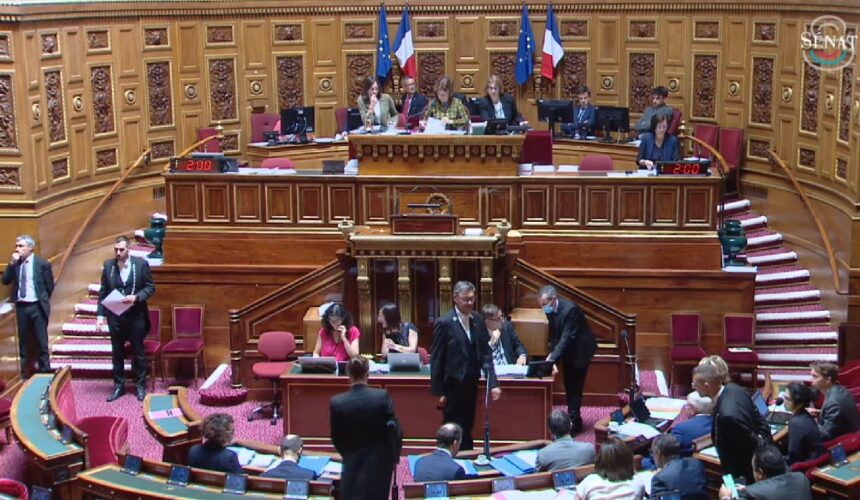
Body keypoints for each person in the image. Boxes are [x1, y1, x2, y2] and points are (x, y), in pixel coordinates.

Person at [430, 281, 501, 451]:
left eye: (472, 299)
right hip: (452, 386)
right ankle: (448, 457)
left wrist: (493, 384)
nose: (469, 303)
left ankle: (467, 456)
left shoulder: (477, 319)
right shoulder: (444, 323)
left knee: (468, 423)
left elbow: (485, 354)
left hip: (471, 383)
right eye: (465, 299)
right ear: (455, 298)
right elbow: (437, 359)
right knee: (451, 426)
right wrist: (439, 391)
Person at [330, 356, 401, 500]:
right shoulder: (382, 397)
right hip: (379, 461)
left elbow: (336, 437)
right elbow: (394, 429)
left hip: (352, 460)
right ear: (368, 373)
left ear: (348, 374)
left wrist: (349, 453)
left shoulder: (337, 402)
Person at [97, 235, 155, 402]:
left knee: (138, 352)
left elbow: (150, 287)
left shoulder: (140, 264)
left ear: (128, 249)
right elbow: (103, 292)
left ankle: (140, 386)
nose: (118, 253)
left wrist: (136, 297)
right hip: (115, 316)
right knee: (117, 353)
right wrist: (100, 315)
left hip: (136, 316)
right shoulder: (109, 266)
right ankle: (119, 386)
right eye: (116, 250)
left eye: (121, 249)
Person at [692, 363, 772, 483]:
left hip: (741, 473)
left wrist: (767, 450)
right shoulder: (735, 388)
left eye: (695, 383)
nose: (692, 386)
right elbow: (760, 420)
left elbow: (753, 444)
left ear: (706, 385)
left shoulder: (728, 415)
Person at [537, 285, 597, 435]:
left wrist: (553, 357)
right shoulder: (551, 310)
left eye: (545, 304)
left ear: (554, 299)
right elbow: (555, 335)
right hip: (568, 350)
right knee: (569, 385)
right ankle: (574, 419)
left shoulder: (571, 310)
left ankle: (575, 424)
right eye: (541, 305)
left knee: (574, 386)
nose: (544, 308)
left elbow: (567, 337)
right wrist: (553, 358)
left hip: (580, 351)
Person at [3, 235, 54, 376]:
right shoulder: (16, 263)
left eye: (21, 246)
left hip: (37, 306)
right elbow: (5, 281)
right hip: (21, 307)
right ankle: (25, 373)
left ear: (31, 248)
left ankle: (45, 372)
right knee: (23, 341)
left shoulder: (42, 264)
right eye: (17, 246)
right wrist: (11, 263)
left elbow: (49, 286)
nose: (17, 249)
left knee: (41, 340)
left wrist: (41, 300)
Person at [718, 445, 812, 500]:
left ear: (760, 472)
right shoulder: (801, 479)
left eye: (753, 469)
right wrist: (751, 489)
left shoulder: (752, 495)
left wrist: (725, 497)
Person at [576, 437, 647, 500]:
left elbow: (577, 497)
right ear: (629, 459)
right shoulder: (638, 482)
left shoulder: (590, 480)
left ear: (599, 459)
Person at [811, 361, 860, 440]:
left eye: (815, 377)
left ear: (828, 380)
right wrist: (820, 412)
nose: (811, 380)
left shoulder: (833, 403)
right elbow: (836, 416)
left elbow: (826, 435)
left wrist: (808, 423)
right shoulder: (841, 389)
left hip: (840, 443)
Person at [649, 434, 708, 499]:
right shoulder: (697, 464)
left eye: (652, 453)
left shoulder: (660, 479)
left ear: (658, 453)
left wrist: (660, 474)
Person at [784, 382, 824, 465]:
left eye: (787, 398)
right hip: (811, 461)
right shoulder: (805, 414)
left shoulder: (795, 423)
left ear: (799, 403)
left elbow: (793, 457)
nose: (784, 400)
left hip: (803, 468)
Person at [669, 391, 714, 457]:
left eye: (686, 406)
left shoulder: (680, 429)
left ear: (693, 409)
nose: (684, 408)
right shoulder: (719, 423)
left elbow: (667, 454)